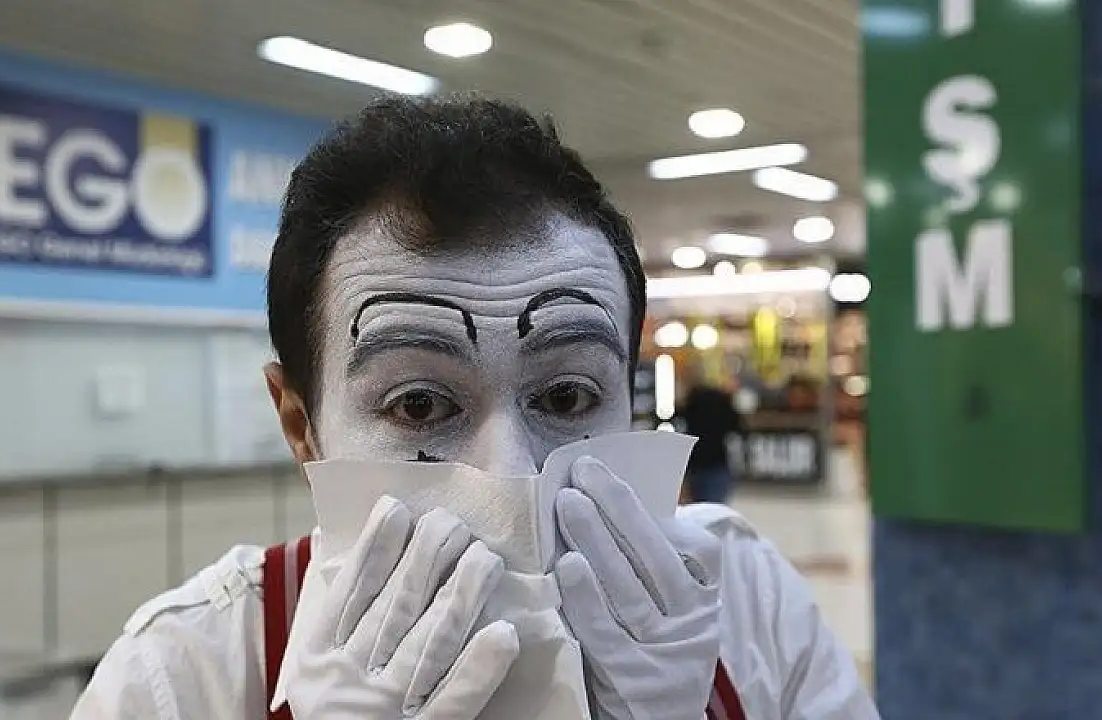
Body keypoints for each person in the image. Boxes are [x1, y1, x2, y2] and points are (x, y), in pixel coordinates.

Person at [70, 95, 879, 719]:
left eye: (567, 396)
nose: (512, 476)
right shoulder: (185, 674)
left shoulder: (746, 604)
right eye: (420, 405)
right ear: (301, 427)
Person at [679, 381, 743, 504]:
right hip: (717, 465)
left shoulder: (692, 409)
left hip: (694, 464)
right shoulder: (724, 410)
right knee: (713, 508)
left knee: (693, 509)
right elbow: (737, 426)